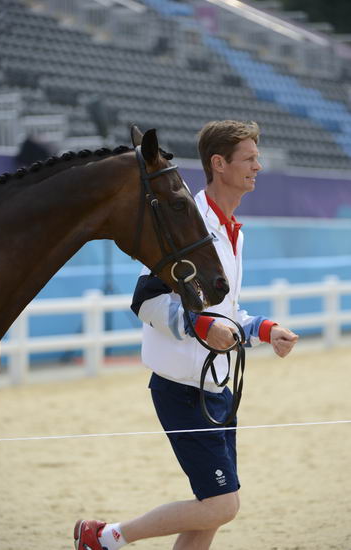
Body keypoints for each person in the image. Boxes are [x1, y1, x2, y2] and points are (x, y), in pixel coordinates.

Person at [74, 120, 299, 550]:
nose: (259, 165)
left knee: (210, 511)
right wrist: (201, 326)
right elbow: (147, 300)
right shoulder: (180, 220)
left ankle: (102, 537)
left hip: (218, 389)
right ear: (219, 164)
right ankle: (103, 537)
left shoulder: (233, 229)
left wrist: (265, 331)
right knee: (222, 505)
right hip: (180, 388)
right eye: (250, 158)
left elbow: (224, 315)